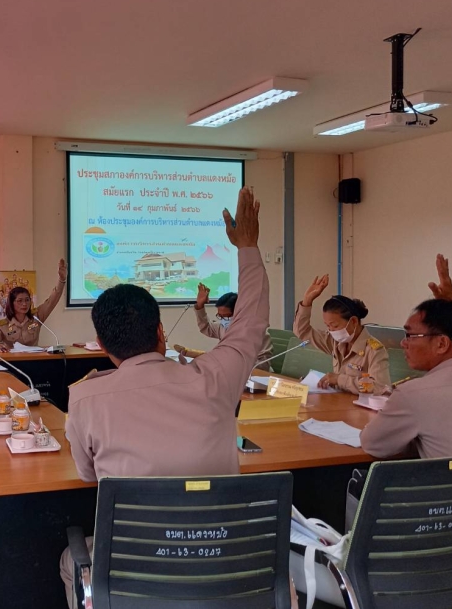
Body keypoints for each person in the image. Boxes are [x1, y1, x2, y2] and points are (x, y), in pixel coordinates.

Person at [60, 188, 295, 607]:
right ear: (161, 333)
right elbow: (251, 321)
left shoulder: (83, 399)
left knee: (69, 558)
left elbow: (87, 477)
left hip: (137, 573)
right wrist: (248, 247)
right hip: (226, 562)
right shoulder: (214, 379)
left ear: (100, 343)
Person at [360, 254, 452, 459]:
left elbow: (373, 444)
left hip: (446, 491)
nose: (403, 343)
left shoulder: (412, 394)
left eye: (410, 335)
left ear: (441, 343)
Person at [293, 274, 390, 394]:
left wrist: (339, 380)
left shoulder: (375, 350)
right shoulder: (335, 342)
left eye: (335, 326)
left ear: (353, 321)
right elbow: (302, 332)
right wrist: (307, 301)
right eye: (328, 326)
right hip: (337, 403)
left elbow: (380, 388)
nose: (332, 331)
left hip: (359, 409)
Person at [178, 285, 274, 369]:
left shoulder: (258, 333)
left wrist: (233, 364)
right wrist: (200, 305)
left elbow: (264, 365)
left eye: (227, 316)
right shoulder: (223, 327)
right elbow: (206, 328)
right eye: (220, 316)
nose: (223, 320)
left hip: (253, 377)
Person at [0, 259, 67, 352]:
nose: (24, 304)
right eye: (20, 301)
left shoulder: (37, 317)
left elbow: (52, 300)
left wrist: (62, 280)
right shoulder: (3, 325)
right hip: (13, 362)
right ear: (11, 303)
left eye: (27, 300)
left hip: (34, 361)